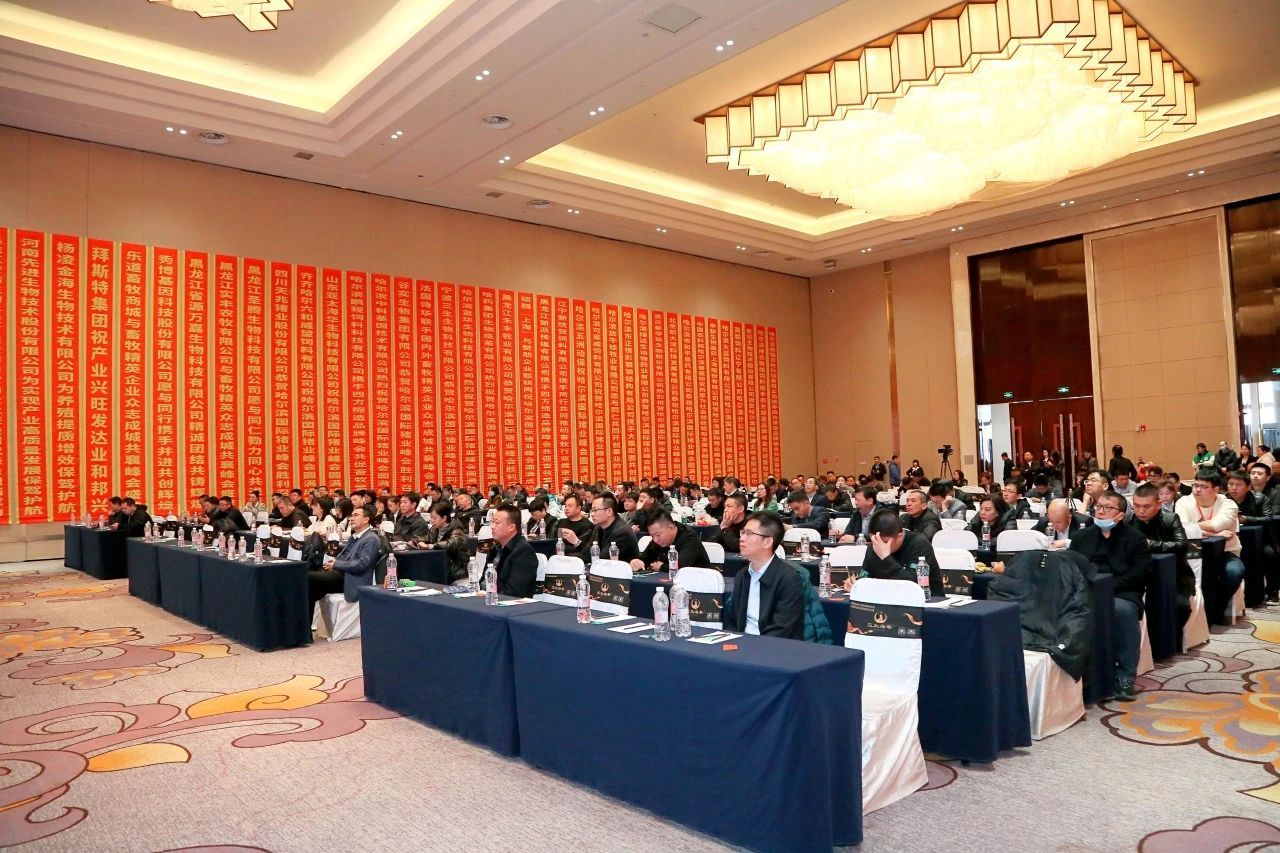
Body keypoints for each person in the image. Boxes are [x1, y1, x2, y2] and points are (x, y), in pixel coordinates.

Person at [1070, 492, 1151, 701]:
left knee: (1121, 611)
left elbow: (1140, 573)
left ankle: (1125, 676)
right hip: (1085, 591)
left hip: (1121, 592)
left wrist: (1107, 587)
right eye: (1098, 507)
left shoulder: (1135, 539)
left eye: (1107, 508)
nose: (1100, 511)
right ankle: (1075, 673)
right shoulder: (1081, 537)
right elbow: (1071, 567)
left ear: (1120, 514)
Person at [722, 512, 806, 639]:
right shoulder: (742, 575)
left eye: (749, 533)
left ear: (767, 542)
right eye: (743, 533)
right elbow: (733, 621)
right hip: (742, 643)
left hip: (772, 646)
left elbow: (782, 629)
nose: (742, 538)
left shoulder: (789, 579)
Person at [1175, 469, 1246, 620]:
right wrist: (1216, 535)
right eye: (1195, 485)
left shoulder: (1228, 504)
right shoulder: (1184, 502)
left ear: (1215, 489)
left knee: (1234, 572)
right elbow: (1181, 528)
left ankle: (1218, 608)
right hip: (1193, 552)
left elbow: (1216, 525)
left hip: (1225, 552)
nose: (1197, 490)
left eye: (1203, 486)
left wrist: (1194, 527)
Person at [1130, 483, 1193, 629]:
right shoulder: (1128, 520)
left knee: (1179, 606)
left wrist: (1150, 544)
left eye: (1146, 506)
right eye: (1136, 506)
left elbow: (1182, 545)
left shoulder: (1170, 518)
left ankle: (1172, 639)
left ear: (1158, 504)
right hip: (1135, 575)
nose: (1141, 511)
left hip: (1173, 574)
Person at [848, 509, 944, 594]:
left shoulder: (919, 544)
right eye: (874, 540)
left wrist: (886, 558)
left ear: (899, 536)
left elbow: (912, 585)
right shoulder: (875, 544)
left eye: (885, 542)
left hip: (928, 602)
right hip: (885, 599)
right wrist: (856, 584)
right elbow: (865, 578)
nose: (879, 545)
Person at [309, 505, 380, 610]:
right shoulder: (354, 537)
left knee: (308, 577)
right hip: (340, 573)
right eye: (351, 516)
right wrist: (333, 563)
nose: (351, 518)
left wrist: (336, 564)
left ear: (366, 519)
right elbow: (343, 556)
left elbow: (362, 564)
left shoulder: (371, 538)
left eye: (356, 515)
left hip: (350, 578)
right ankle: (304, 619)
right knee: (310, 587)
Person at [1228, 468, 1278, 605]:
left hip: (1259, 540)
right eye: (1231, 484)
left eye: (1238, 485)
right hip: (1232, 540)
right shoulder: (1224, 499)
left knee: (1269, 554)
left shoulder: (1260, 498)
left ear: (1248, 486)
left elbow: (1269, 518)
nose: (1233, 488)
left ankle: (1272, 591)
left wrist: (1247, 519)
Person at [561, 493, 639, 562]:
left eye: (595, 510)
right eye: (591, 510)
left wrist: (576, 542)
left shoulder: (621, 532)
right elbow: (588, 553)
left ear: (609, 511)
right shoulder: (599, 527)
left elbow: (601, 559)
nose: (592, 514)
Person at [482, 505, 537, 598]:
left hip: (505, 602)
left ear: (511, 527)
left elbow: (514, 592)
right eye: (492, 522)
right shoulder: (496, 548)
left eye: (496, 523)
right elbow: (483, 581)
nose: (492, 526)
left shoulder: (524, 552)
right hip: (486, 597)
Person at [631, 509, 710, 573]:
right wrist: (637, 562)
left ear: (671, 527)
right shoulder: (657, 540)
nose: (655, 540)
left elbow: (681, 567)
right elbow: (645, 557)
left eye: (658, 535)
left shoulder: (690, 539)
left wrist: (662, 567)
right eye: (652, 536)